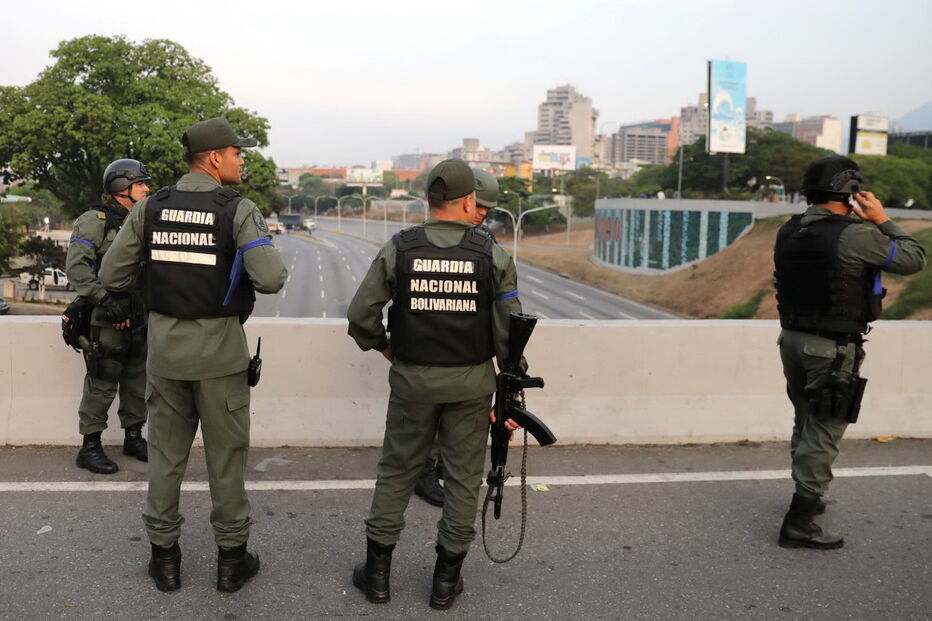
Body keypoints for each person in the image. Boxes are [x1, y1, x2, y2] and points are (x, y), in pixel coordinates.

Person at [99, 117, 287, 592]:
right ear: (214, 158)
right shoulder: (237, 209)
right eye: (236, 152)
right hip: (220, 359)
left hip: (165, 358)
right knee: (226, 461)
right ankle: (230, 562)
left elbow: (112, 274)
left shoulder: (152, 206)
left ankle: (165, 561)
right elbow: (272, 278)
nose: (242, 159)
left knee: (165, 459)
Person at [347, 159, 523, 610]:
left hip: (412, 381)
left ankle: (378, 578)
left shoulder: (400, 247)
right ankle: (445, 584)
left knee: (397, 473)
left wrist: (386, 348)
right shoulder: (492, 255)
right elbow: (509, 333)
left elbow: (359, 316)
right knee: (463, 480)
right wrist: (510, 391)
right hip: (470, 385)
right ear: (467, 200)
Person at [773, 155, 926, 549]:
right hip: (831, 347)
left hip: (791, 340)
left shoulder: (788, 230)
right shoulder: (855, 234)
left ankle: (808, 495)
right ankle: (800, 520)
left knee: (806, 421)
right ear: (851, 191)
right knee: (824, 430)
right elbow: (913, 258)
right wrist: (881, 218)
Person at [413, 167, 500, 507]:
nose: (481, 213)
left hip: (467, 351)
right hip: (428, 351)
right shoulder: (419, 241)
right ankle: (426, 470)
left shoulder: (485, 246)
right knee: (427, 424)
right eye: (478, 205)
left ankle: (444, 468)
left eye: (487, 210)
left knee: (458, 426)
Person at [66, 159, 151, 474]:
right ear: (121, 187)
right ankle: (90, 447)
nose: (146, 188)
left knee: (137, 379)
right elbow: (76, 268)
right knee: (102, 381)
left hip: (138, 313)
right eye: (141, 183)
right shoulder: (95, 220)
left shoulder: (141, 220)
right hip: (106, 315)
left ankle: (134, 437)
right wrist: (104, 299)